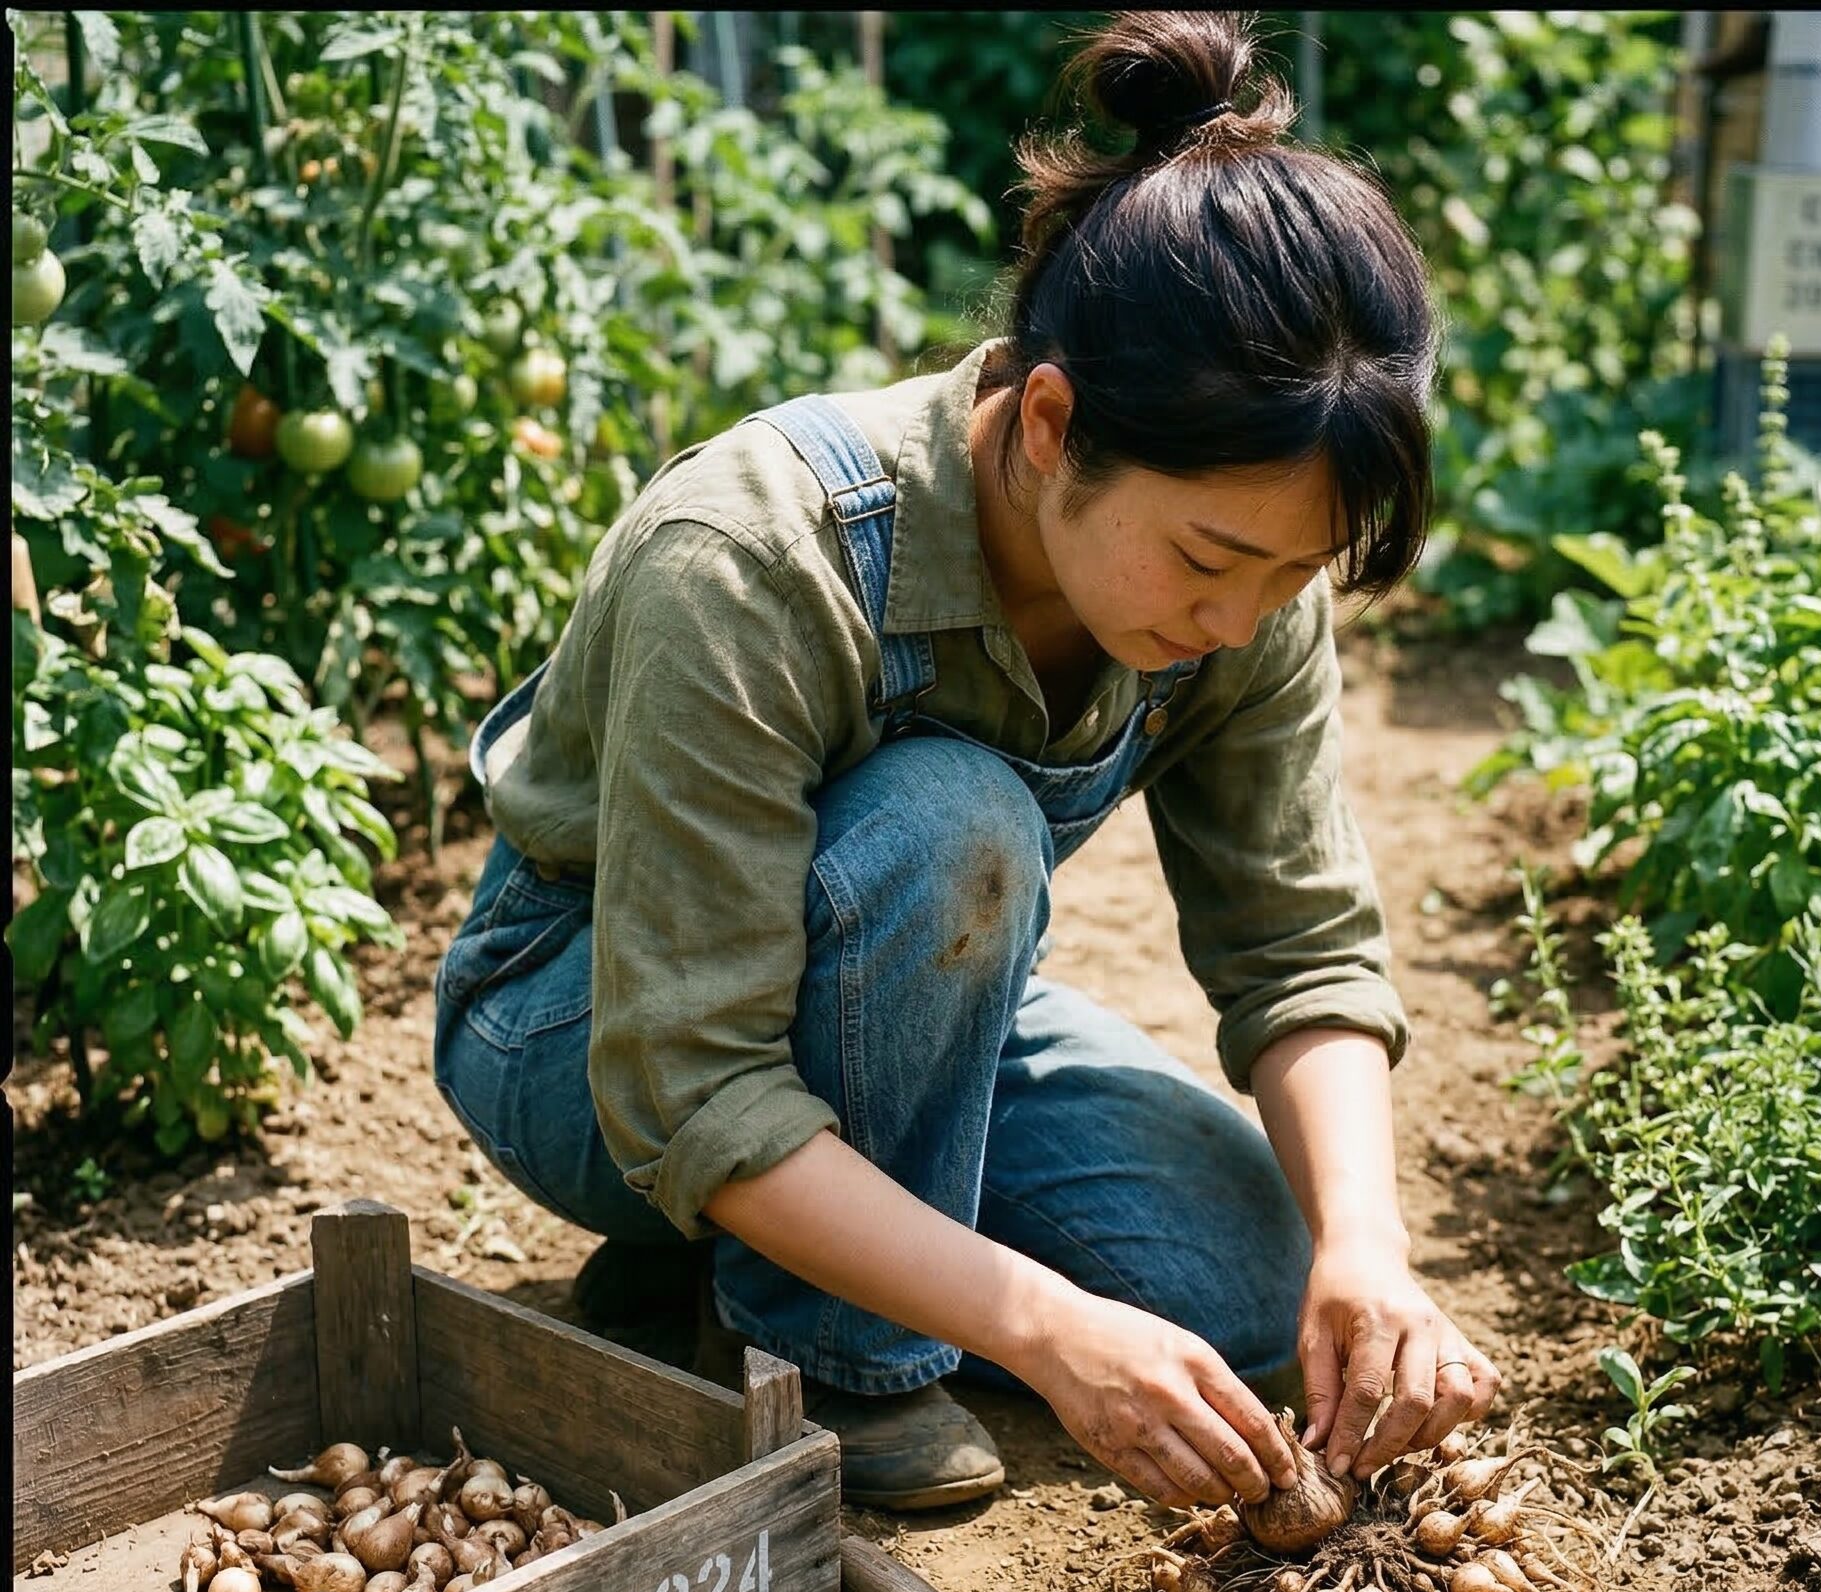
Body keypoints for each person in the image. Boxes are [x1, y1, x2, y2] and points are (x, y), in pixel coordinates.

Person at [433, 9, 1501, 1514]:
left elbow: (1299, 942)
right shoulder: (749, 556)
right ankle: (828, 1354)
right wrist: (1047, 1329)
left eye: (1291, 572)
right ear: (1052, 422)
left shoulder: (1242, 583)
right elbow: (692, 1071)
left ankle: (733, 1254)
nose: (1241, 617)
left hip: (901, 1014)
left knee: (1252, 1284)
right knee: (956, 820)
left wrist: (1366, 1251)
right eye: (1214, 560)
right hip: (587, 1024)